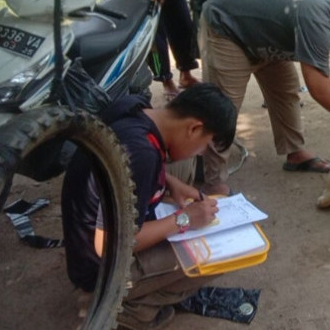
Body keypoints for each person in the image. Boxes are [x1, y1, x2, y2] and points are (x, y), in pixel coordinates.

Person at [61, 83, 237, 330]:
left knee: (181, 169)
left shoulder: (135, 109)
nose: (198, 154)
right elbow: (108, 245)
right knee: (223, 254)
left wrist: (169, 182)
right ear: (194, 128)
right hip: (101, 269)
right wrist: (183, 219)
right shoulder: (141, 154)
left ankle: (129, 294)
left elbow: (125, 169)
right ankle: (125, 309)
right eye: (203, 147)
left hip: (84, 238)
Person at [198, 0, 330, 196]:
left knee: (286, 92)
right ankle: (213, 181)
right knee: (224, 107)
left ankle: (295, 153)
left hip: (265, 35)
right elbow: (319, 87)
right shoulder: (318, 19)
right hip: (227, 28)